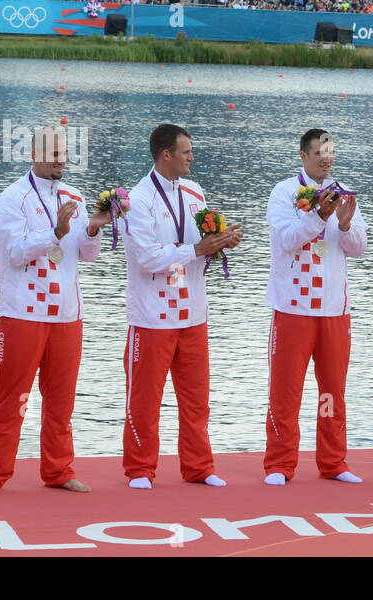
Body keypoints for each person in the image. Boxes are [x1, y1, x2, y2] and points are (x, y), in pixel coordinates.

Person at [0, 127, 111, 496]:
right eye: (52, 153)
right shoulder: (11, 199)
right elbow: (16, 253)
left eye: (63, 153)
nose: (59, 160)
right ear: (33, 154)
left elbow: (88, 254)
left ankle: (59, 469)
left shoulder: (75, 195)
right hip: (23, 313)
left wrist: (94, 229)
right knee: (11, 398)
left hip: (66, 314)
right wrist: (56, 231)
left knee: (61, 399)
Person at [121, 123, 242, 489]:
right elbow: (146, 258)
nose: (193, 157)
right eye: (186, 151)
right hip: (152, 315)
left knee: (196, 399)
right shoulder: (137, 200)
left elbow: (200, 243)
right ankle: (140, 469)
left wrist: (221, 241)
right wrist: (197, 250)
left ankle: (199, 467)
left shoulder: (193, 191)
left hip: (192, 311)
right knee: (145, 400)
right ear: (166, 155)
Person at [263, 129, 367, 485]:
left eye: (330, 152)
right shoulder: (283, 193)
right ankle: (280, 463)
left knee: (331, 392)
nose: (326, 158)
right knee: (286, 391)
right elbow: (287, 241)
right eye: (319, 152)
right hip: (293, 307)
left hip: (334, 310)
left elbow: (358, 248)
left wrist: (346, 223)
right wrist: (319, 217)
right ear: (304, 156)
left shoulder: (344, 193)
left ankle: (333, 463)